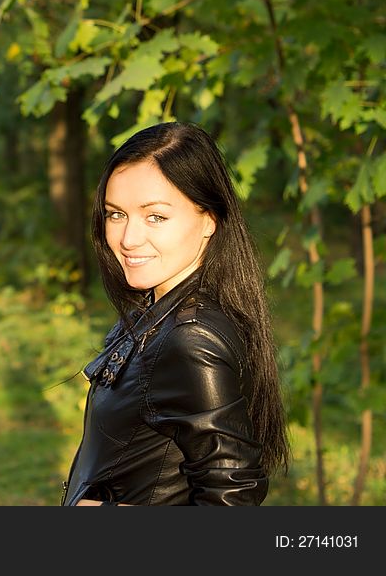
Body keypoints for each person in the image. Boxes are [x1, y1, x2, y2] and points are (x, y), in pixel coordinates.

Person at [61, 121, 290, 506]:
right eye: (116, 214)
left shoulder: (190, 337)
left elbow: (233, 501)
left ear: (209, 220)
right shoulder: (157, 310)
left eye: (155, 217)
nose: (128, 238)